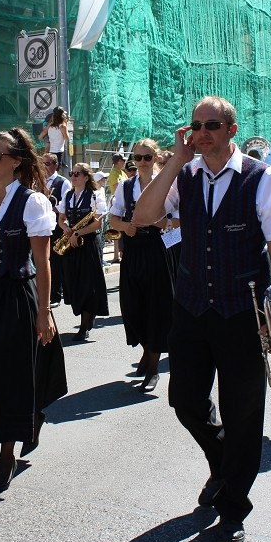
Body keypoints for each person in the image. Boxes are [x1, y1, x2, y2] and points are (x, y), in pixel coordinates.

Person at [133, 96, 271, 542]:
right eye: (196, 125)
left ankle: (233, 506)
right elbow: (142, 217)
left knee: (243, 413)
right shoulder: (183, 174)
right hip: (190, 307)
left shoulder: (261, 178)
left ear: (231, 128)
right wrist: (173, 162)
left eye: (211, 124)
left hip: (242, 311)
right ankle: (224, 462)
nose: (202, 132)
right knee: (184, 402)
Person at [0, 127, 66, 494]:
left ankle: (7, 452)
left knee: (9, 375)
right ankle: (30, 415)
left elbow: (43, 260)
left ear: (16, 161)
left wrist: (44, 311)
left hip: (18, 294)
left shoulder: (32, 202)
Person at [108, 138, 174, 392]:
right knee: (134, 306)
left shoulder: (168, 184)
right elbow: (114, 219)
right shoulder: (125, 186)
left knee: (156, 307)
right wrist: (126, 227)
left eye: (147, 157)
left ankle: (154, 366)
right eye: (138, 158)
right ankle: (147, 353)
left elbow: (179, 222)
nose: (142, 162)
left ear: (156, 158)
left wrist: (160, 223)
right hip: (134, 249)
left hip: (159, 249)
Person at [57, 162, 109, 342]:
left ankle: (84, 326)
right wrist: (66, 229)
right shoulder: (68, 194)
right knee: (74, 283)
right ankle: (87, 316)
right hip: (72, 243)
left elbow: (97, 223)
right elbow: (61, 218)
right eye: (72, 173)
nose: (73, 176)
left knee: (88, 284)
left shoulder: (95, 195)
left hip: (88, 243)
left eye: (77, 174)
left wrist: (78, 233)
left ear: (86, 177)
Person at [42, 153, 70, 308]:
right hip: (42, 226)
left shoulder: (63, 182)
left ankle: (56, 295)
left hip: (57, 226)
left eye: (46, 164)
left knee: (55, 261)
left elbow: (66, 206)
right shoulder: (39, 181)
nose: (43, 167)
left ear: (54, 165)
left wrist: (51, 209)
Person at [38, 107, 71, 175]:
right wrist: (66, 125)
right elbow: (67, 138)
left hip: (51, 152)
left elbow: (40, 137)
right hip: (58, 152)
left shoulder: (50, 126)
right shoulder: (62, 126)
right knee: (56, 173)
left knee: (49, 172)